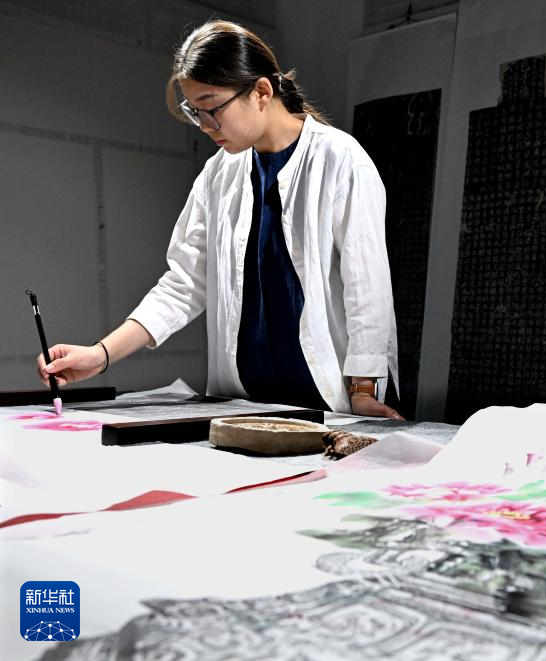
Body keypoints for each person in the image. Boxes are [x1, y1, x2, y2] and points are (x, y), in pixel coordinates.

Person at [36, 20, 402, 419]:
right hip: (243, 407)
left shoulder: (339, 160)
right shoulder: (218, 174)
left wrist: (363, 391)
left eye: (212, 109)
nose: (206, 127)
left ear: (261, 92)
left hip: (325, 403)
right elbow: (183, 284)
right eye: (195, 113)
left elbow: (367, 287)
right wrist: (100, 354)